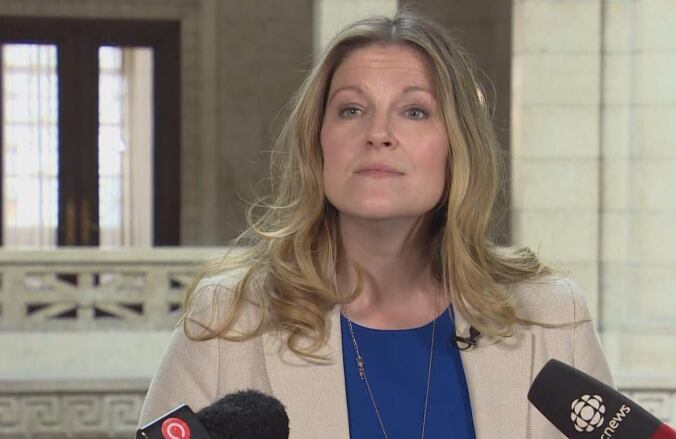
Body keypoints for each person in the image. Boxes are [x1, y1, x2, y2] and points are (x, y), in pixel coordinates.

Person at [138, 8, 612, 439]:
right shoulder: (228, 320)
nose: (379, 134)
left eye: (414, 111)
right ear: (317, 141)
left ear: (456, 145)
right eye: (351, 110)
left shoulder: (552, 319)